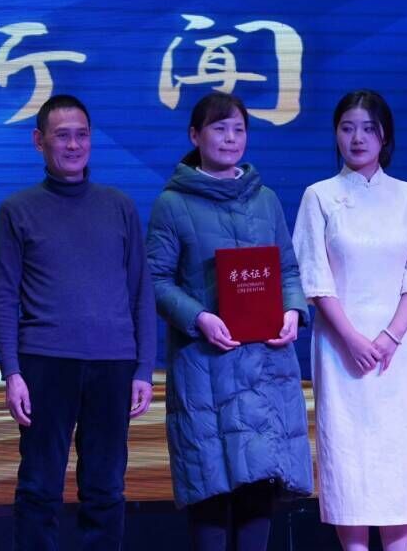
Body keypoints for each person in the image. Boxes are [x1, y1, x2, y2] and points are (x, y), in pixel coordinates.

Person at [144, 91, 312, 551]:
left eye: (239, 129)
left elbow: (288, 270)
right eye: (219, 128)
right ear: (195, 135)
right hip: (206, 368)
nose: (231, 138)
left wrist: (293, 311)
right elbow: (154, 280)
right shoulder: (172, 204)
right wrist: (199, 317)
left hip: (265, 367)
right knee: (212, 488)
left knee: (259, 488)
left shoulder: (266, 200)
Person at [0, 94, 156, 550]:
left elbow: (141, 292)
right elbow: (3, 295)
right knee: (39, 488)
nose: (74, 145)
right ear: (38, 140)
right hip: (45, 362)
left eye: (82, 135)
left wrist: (143, 370)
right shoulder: (17, 209)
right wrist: (12, 373)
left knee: (106, 490)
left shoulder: (119, 206)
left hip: (113, 364)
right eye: (62, 136)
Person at [291, 90, 407, 551]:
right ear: (335, 135)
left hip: (397, 352)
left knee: (396, 459)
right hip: (340, 350)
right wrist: (353, 339)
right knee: (348, 461)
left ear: (385, 137)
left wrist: (389, 337)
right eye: (347, 128)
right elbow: (314, 278)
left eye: (368, 129)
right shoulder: (320, 196)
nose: (357, 138)